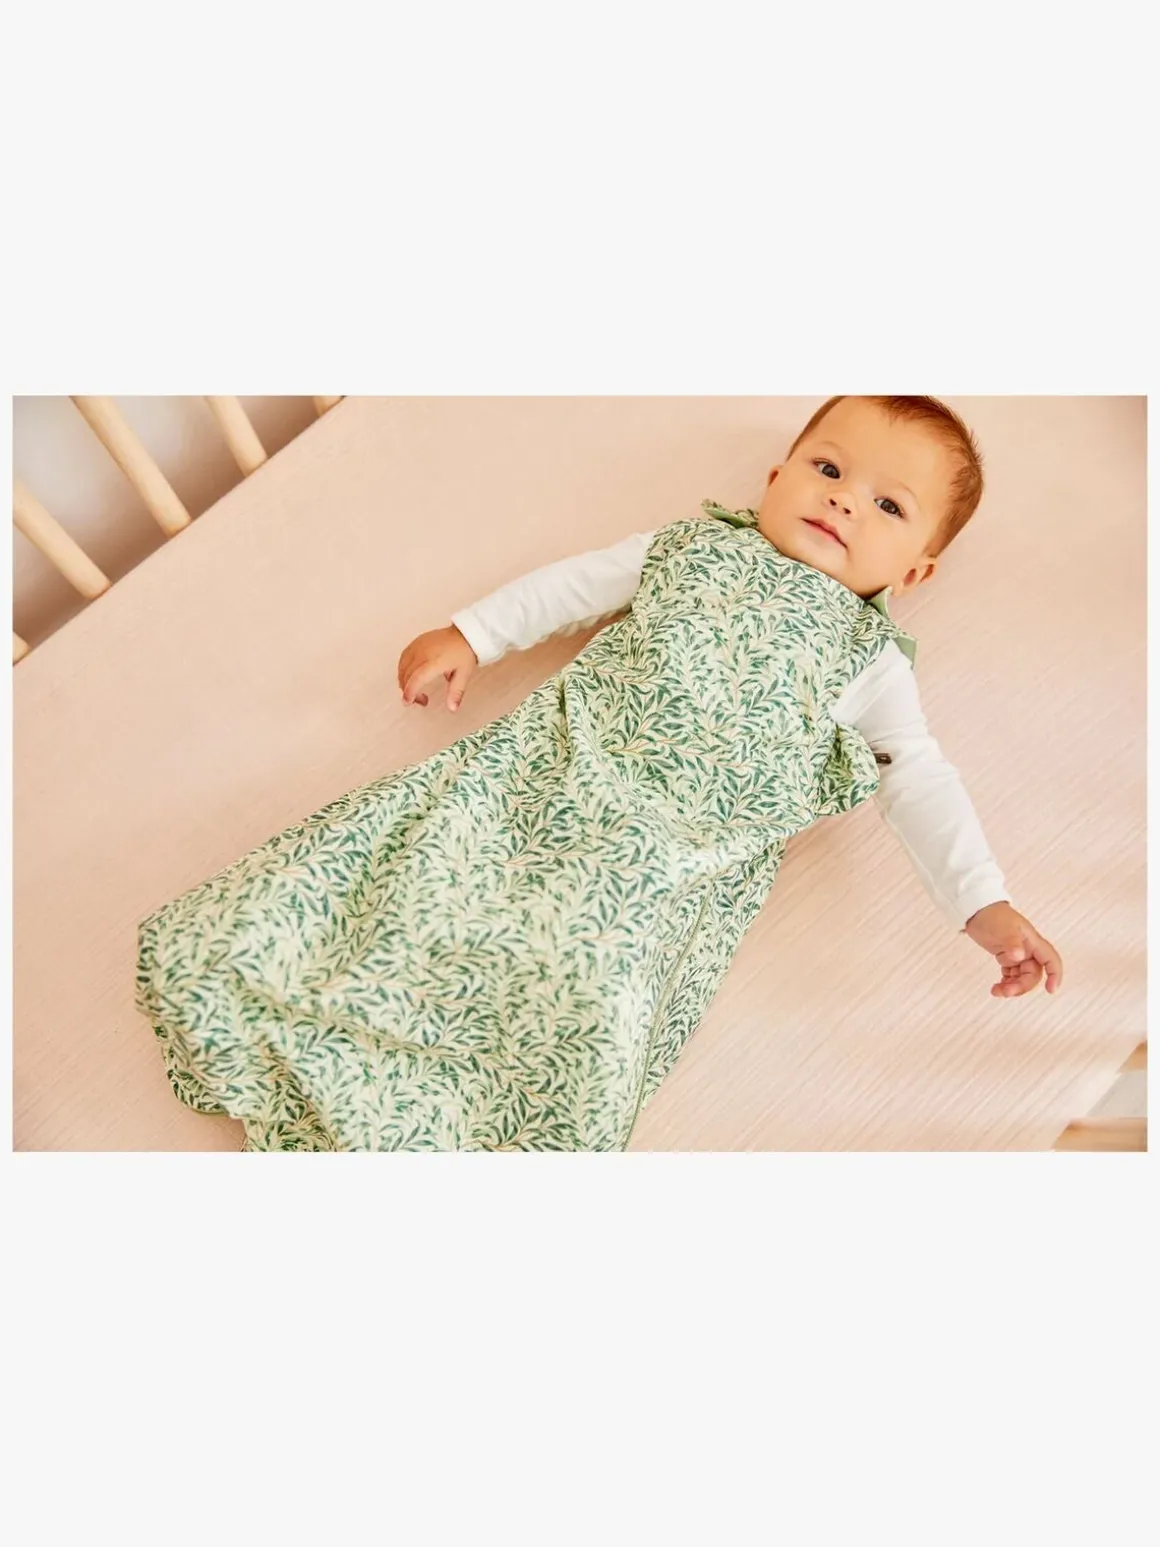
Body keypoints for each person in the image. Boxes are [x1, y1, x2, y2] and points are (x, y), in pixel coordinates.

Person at [137, 395, 1063, 1151]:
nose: (846, 502)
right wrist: (473, 634)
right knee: (429, 866)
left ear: (918, 573)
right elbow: (571, 586)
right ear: (775, 478)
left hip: (666, 865)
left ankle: (457, 1121)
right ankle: (306, 1008)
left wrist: (982, 903)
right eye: (828, 469)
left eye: (889, 507)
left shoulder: (870, 659)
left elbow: (918, 778)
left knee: (590, 975)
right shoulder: (693, 548)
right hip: (551, 772)